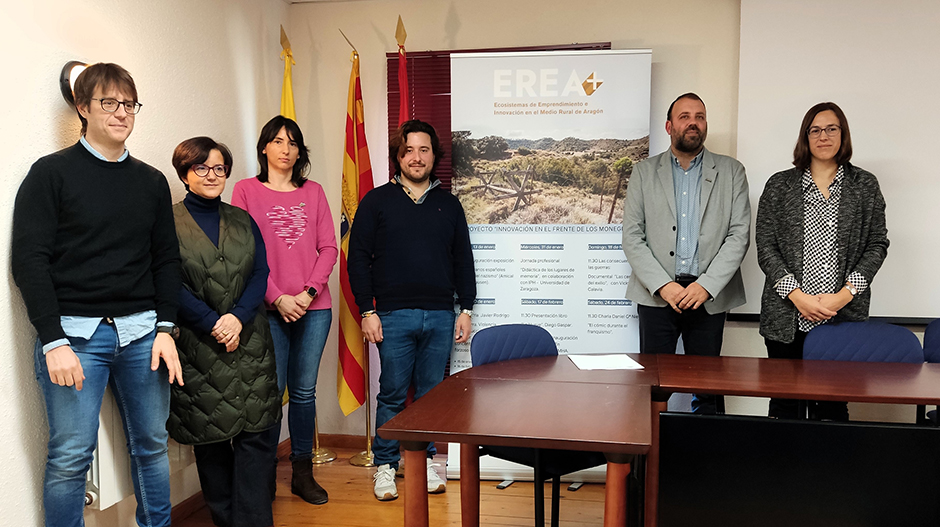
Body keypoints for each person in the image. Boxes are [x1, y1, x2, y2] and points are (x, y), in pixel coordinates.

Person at [11, 63, 182, 527]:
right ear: (83, 108)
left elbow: (167, 261)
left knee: (151, 446)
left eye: (129, 103)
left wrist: (166, 328)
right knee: (69, 458)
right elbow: (28, 261)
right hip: (74, 337)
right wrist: (52, 339)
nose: (122, 112)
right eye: (109, 102)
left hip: (143, 333)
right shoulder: (51, 174)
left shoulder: (150, 182)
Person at [348, 119, 476, 501]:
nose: (416, 157)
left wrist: (465, 308)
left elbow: (463, 261)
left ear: (434, 156)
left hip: (440, 315)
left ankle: (421, 462)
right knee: (391, 393)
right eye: (408, 150)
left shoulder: (449, 204)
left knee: (430, 396)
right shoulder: (376, 201)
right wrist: (367, 312)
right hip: (392, 315)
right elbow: (357, 260)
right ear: (397, 156)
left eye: (424, 150)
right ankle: (386, 466)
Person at [167, 137, 281, 527]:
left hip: (250, 342)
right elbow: (167, 283)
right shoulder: (168, 223)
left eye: (219, 168)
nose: (212, 176)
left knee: (257, 439)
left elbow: (260, 273)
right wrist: (213, 322)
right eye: (201, 168)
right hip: (200, 349)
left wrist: (236, 318)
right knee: (211, 441)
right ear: (184, 173)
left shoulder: (242, 219)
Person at [756, 102, 889, 420]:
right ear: (805, 137)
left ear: (843, 134)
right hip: (787, 313)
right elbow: (766, 247)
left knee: (832, 406)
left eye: (831, 128)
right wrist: (797, 297)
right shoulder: (780, 186)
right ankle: (784, 470)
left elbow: (876, 245)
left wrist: (843, 296)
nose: (823, 136)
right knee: (785, 403)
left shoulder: (864, 186)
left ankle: (829, 472)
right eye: (814, 130)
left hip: (840, 315)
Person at [622, 92, 751, 414]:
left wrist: (705, 285)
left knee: (708, 390)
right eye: (684, 116)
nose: (693, 122)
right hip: (657, 295)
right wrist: (664, 286)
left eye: (700, 116)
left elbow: (739, 235)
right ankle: (649, 463)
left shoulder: (732, 171)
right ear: (669, 126)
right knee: (653, 390)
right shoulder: (643, 172)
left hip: (708, 297)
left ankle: (706, 461)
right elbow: (632, 236)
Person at [231, 115, 337, 505]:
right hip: (268, 307)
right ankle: (263, 477)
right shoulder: (244, 191)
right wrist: (277, 297)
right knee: (270, 392)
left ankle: (302, 473)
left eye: (293, 143)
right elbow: (244, 252)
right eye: (278, 141)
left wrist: (307, 294)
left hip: (315, 307)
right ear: (264, 148)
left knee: (304, 393)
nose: (286, 149)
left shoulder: (315, 192)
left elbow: (329, 247)